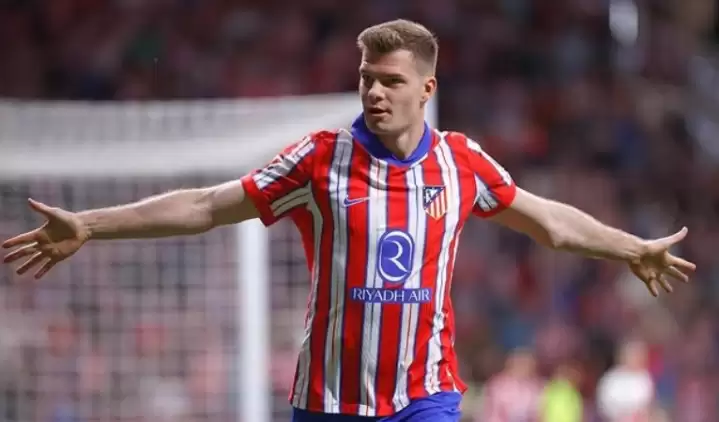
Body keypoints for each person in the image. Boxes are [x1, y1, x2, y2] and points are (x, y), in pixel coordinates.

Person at [1, 19, 696, 422]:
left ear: (426, 88)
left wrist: (628, 247)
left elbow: (548, 223)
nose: (374, 92)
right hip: (329, 399)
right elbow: (207, 206)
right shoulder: (319, 159)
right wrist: (90, 224)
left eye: (391, 81)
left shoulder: (460, 162)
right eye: (367, 78)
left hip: (425, 396)